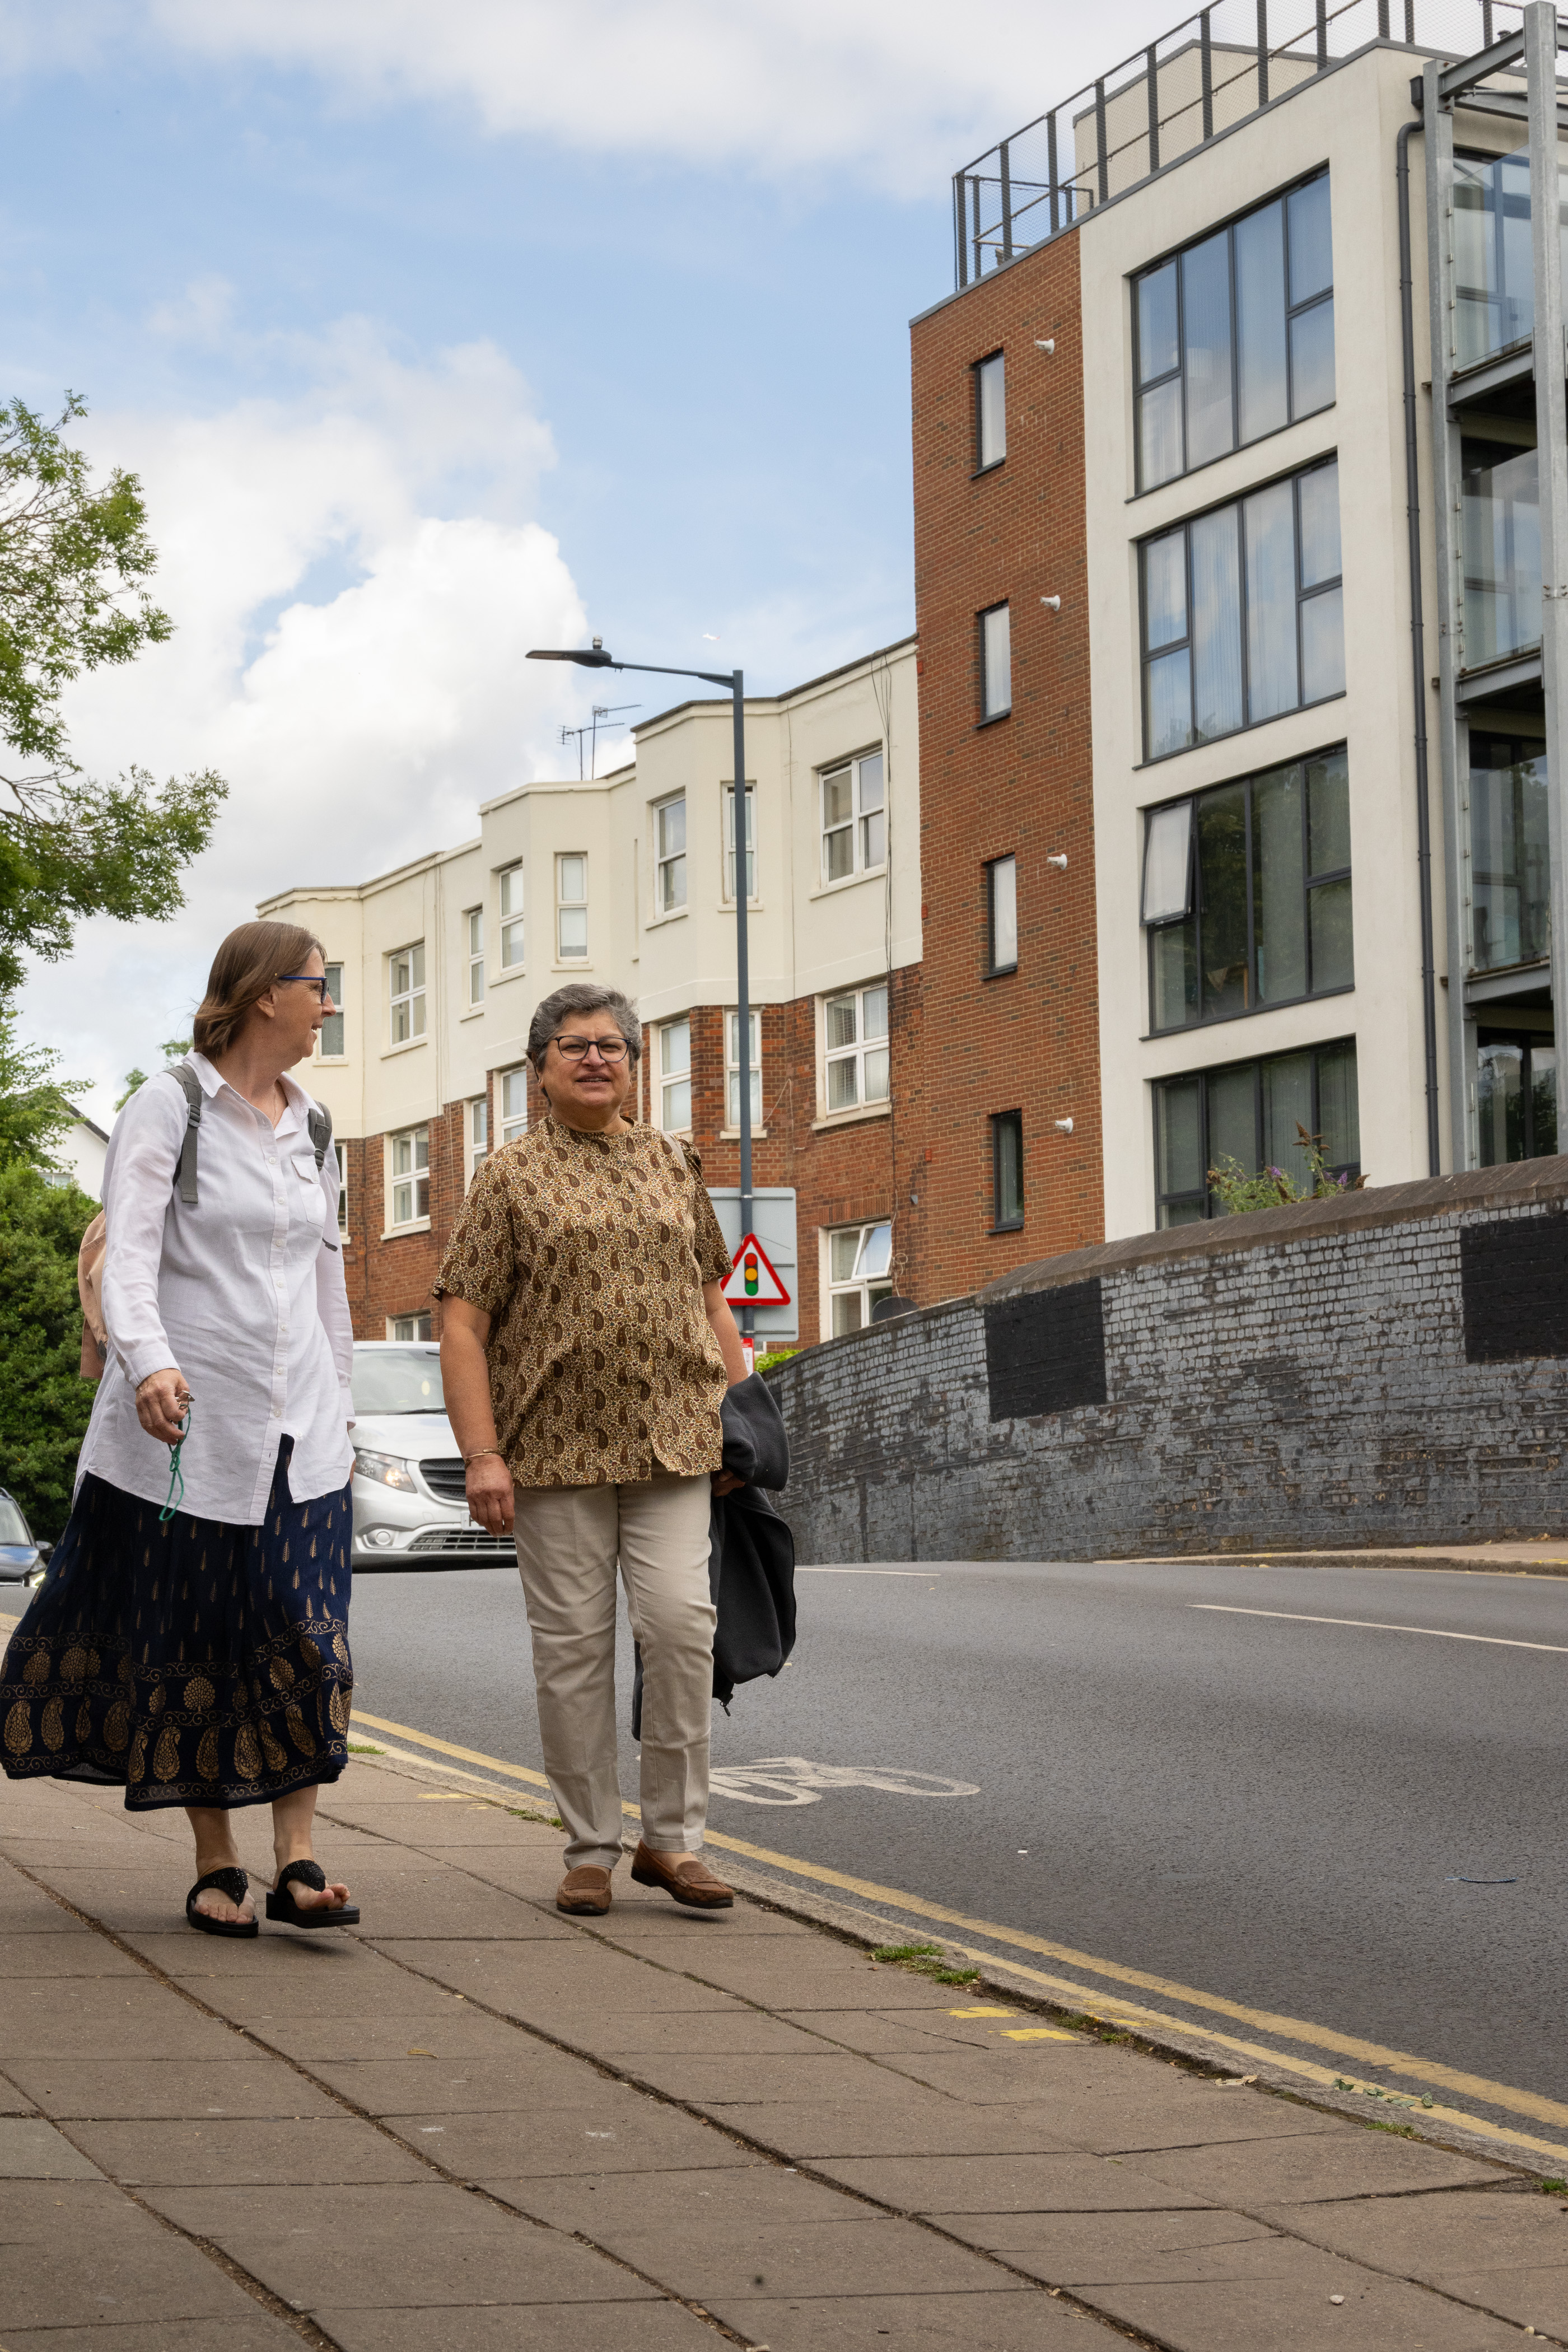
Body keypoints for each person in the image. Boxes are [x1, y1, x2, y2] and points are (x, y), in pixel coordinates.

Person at [0, 921, 360, 1938]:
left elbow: (327, 1280)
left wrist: (341, 1405)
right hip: (189, 1432)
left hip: (305, 1439)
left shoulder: (317, 1126)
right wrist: (149, 1362)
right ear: (261, 996)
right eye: (316, 986)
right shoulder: (169, 1106)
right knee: (197, 1640)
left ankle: (302, 1859)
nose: (327, 1005)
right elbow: (130, 1253)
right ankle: (217, 1865)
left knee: (308, 1640)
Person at [437, 981, 747, 1917]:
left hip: (675, 1441)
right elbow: (462, 1325)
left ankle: (673, 1841)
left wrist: (743, 1416)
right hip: (553, 1449)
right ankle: (589, 1846)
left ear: (634, 1065)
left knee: (682, 1630)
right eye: (573, 1046)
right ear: (539, 1070)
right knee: (573, 1652)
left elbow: (709, 1295)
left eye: (612, 1045)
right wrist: (483, 1454)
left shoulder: (673, 1161)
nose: (595, 1059)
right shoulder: (509, 1176)